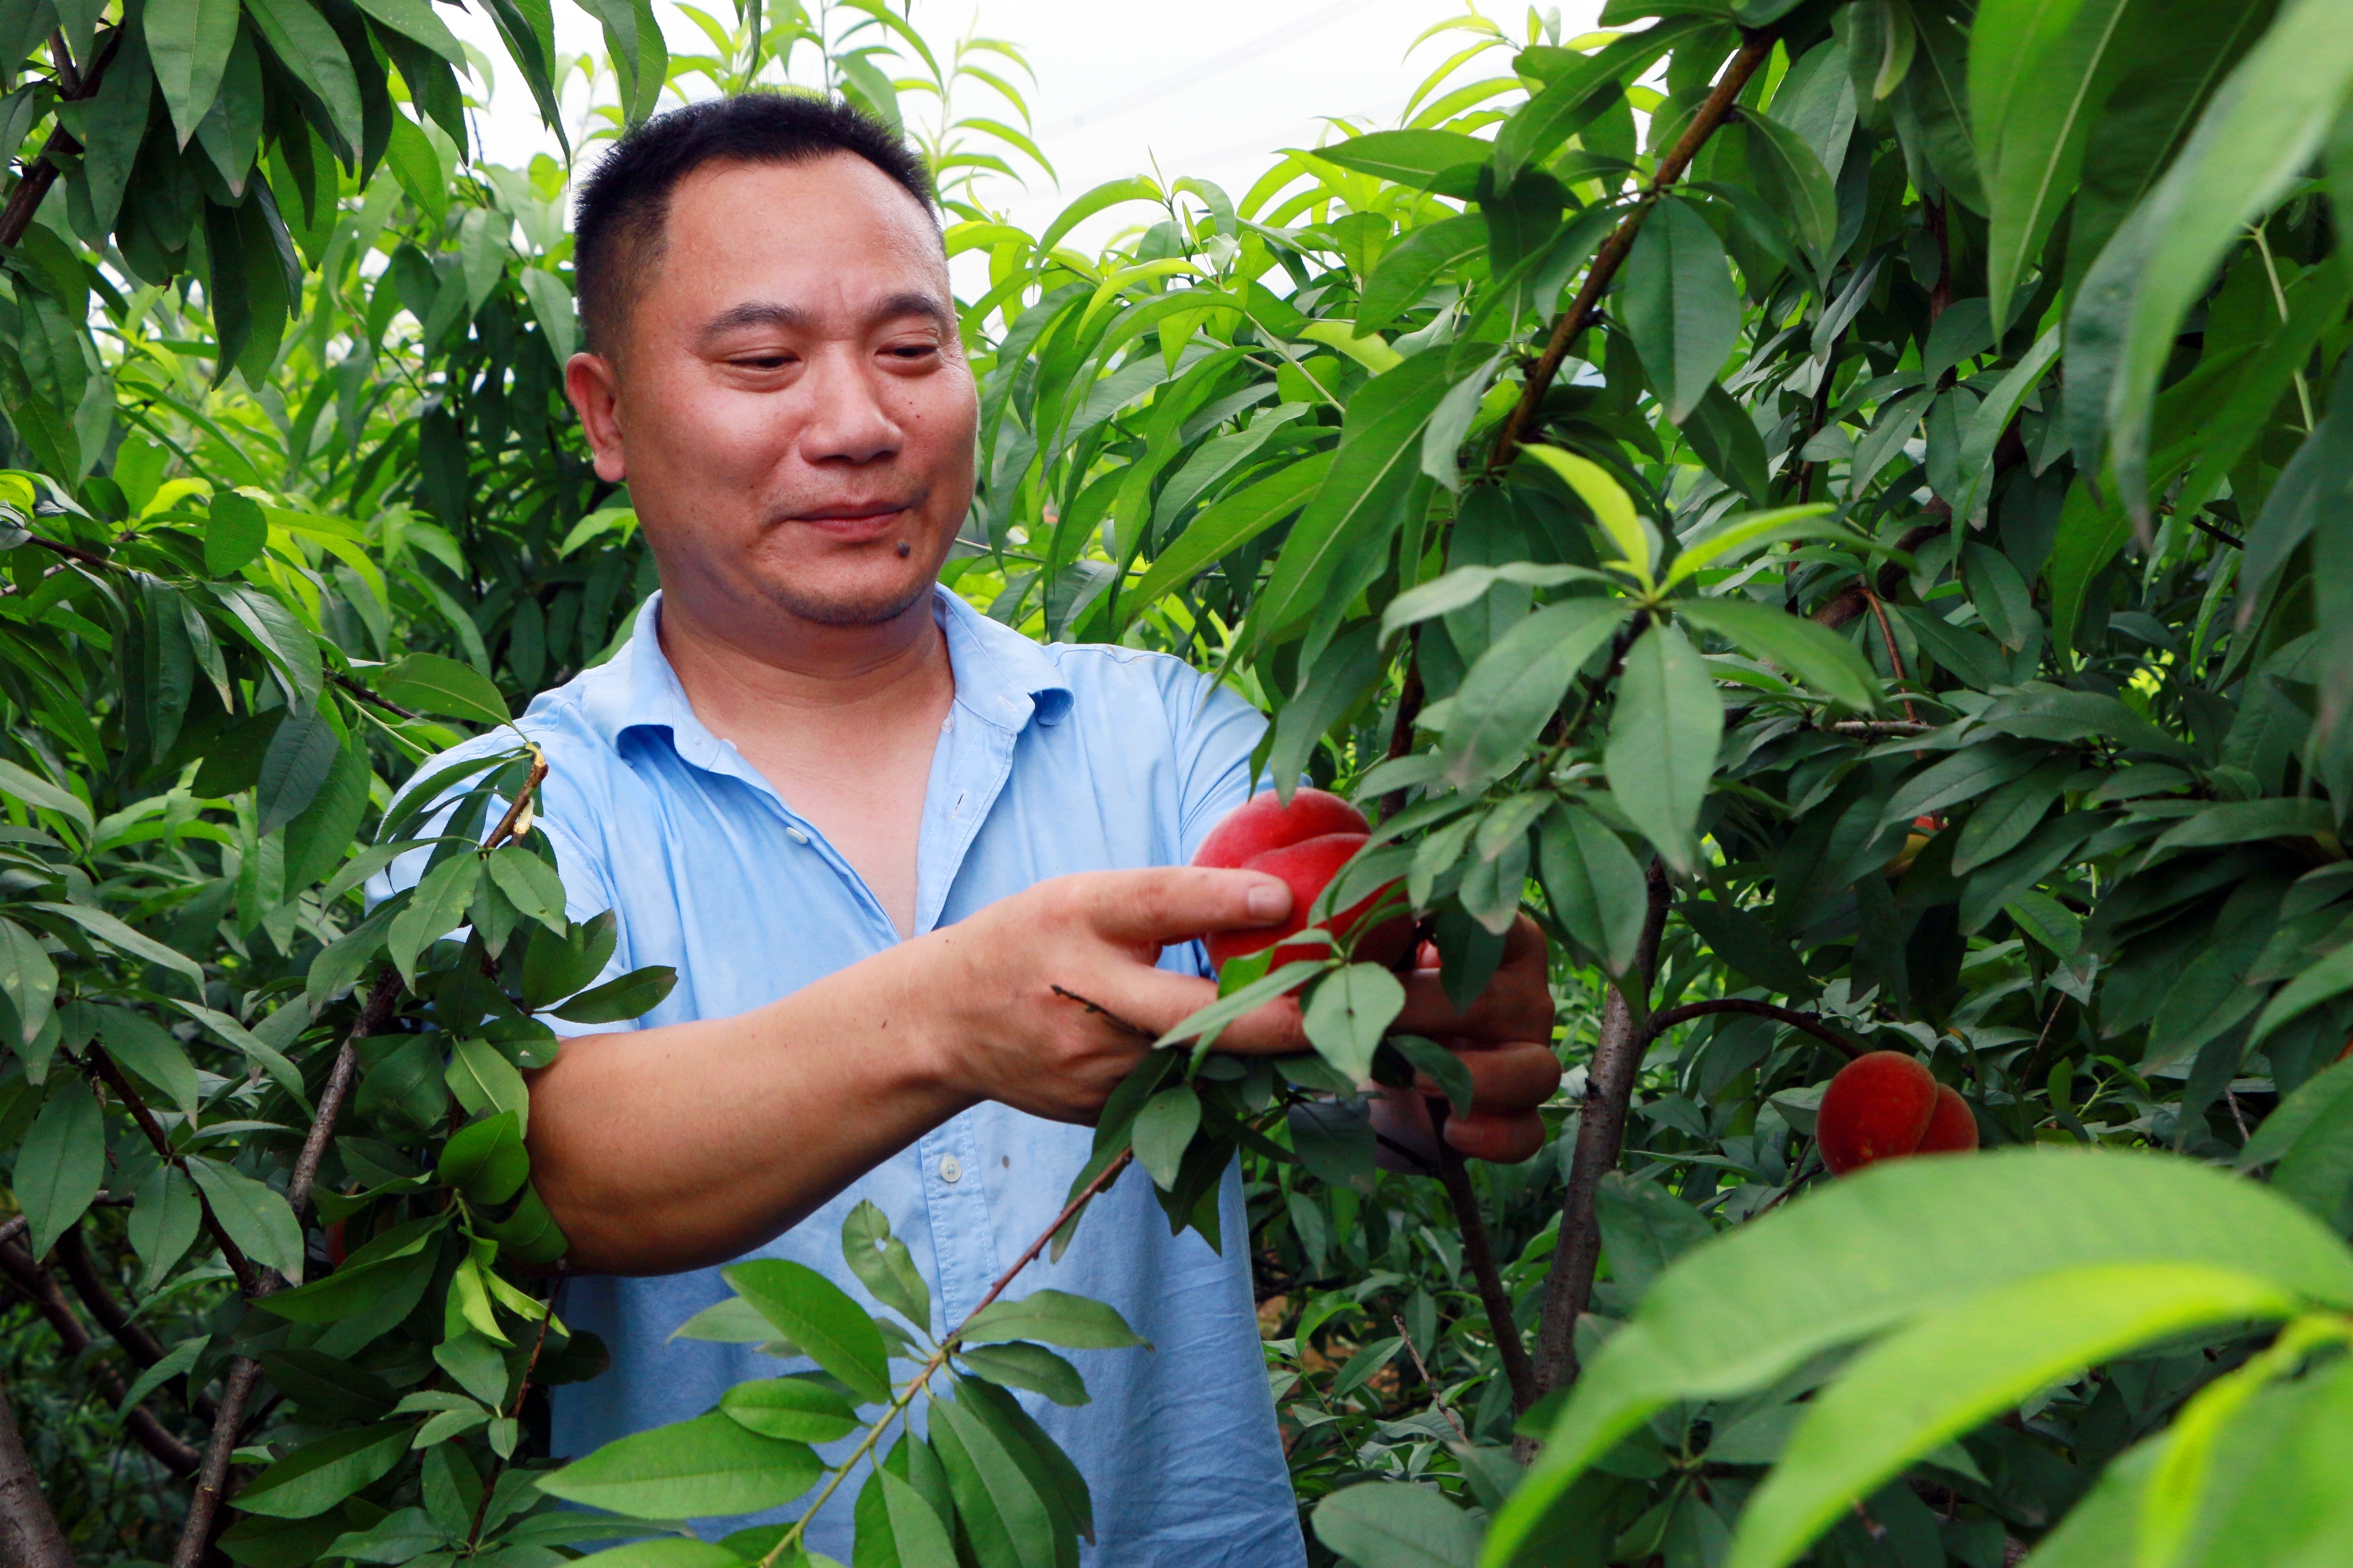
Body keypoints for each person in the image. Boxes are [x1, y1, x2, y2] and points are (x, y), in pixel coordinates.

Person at [398, 93, 1559, 1561]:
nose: (858, 424)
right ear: (606, 414)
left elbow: (1302, 996)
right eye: (762, 360)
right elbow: (543, 1163)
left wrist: (1417, 1051)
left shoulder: (1165, 734)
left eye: (909, 349)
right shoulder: (502, 810)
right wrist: (943, 1017)